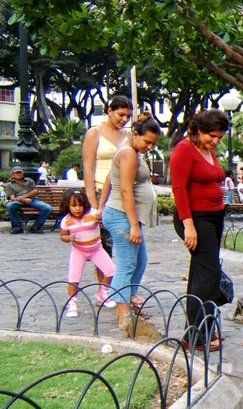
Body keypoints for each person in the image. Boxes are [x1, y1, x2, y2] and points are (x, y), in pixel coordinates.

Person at [170, 109, 231, 352]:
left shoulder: (208, 151)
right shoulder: (184, 150)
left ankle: (200, 327)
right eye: (212, 136)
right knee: (208, 275)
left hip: (214, 216)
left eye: (219, 137)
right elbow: (179, 189)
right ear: (199, 130)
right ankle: (197, 333)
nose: (215, 141)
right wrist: (188, 226)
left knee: (201, 274)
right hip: (196, 219)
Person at [99, 112, 160, 328]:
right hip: (121, 215)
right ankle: (122, 313)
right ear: (135, 134)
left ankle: (130, 300)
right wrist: (134, 225)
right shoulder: (128, 153)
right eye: (147, 142)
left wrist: (100, 207)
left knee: (140, 260)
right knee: (127, 263)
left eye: (153, 144)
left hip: (124, 215)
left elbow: (108, 178)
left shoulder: (130, 149)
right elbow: (125, 191)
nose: (149, 147)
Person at [83, 95, 133, 311]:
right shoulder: (95, 133)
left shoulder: (128, 135)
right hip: (98, 189)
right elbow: (88, 167)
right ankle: (103, 289)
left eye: (128, 116)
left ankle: (116, 288)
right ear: (109, 110)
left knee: (122, 242)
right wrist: (93, 203)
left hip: (120, 192)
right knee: (102, 246)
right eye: (121, 114)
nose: (124, 119)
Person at [59, 189, 116, 318]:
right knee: (74, 278)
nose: (78, 209)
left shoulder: (92, 214)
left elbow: (103, 223)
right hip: (79, 251)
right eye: (74, 206)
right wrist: (68, 238)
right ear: (67, 206)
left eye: (80, 205)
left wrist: (100, 221)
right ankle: (72, 302)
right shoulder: (66, 221)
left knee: (111, 270)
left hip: (96, 249)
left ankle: (104, 293)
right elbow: (62, 236)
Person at [4, 166, 53, 234]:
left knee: (48, 208)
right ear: (13, 174)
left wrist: (25, 196)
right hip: (18, 201)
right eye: (16, 173)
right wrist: (23, 200)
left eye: (20, 172)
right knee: (9, 206)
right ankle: (17, 227)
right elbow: (12, 198)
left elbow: (35, 191)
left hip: (32, 200)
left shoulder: (29, 181)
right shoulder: (9, 185)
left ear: (23, 173)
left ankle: (36, 227)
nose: (19, 174)